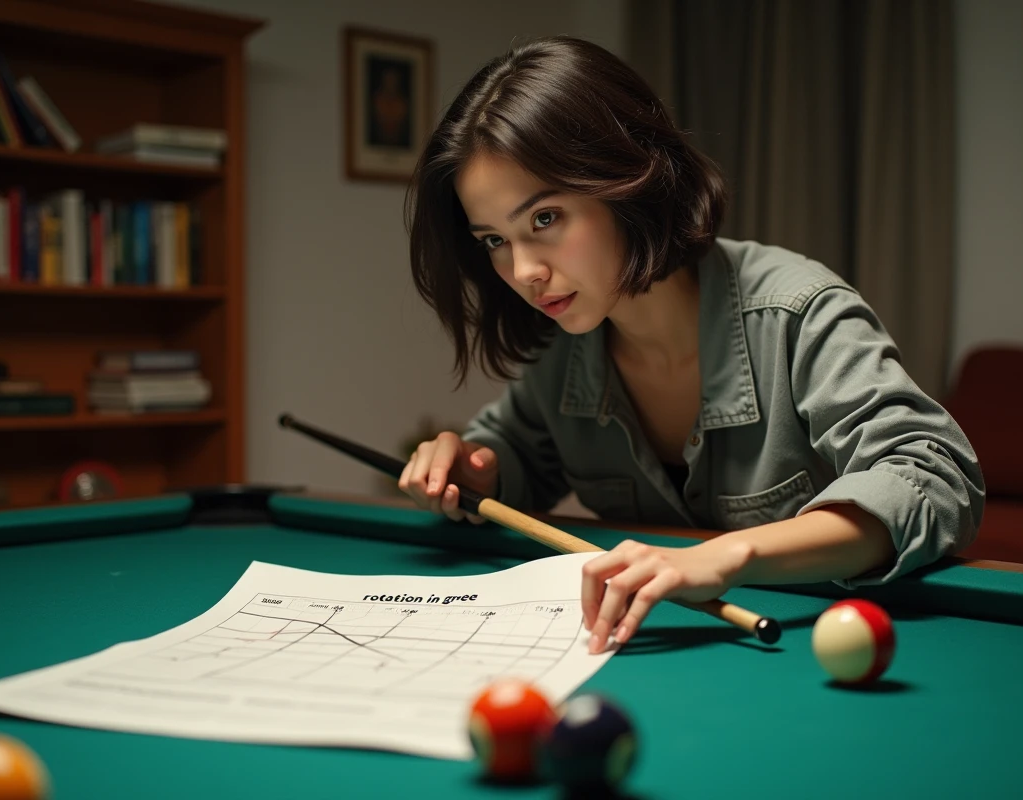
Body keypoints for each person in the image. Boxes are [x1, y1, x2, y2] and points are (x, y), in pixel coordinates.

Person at [398, 36, 985, 654]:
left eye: (544, 219)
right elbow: (514, 456)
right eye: (494, 240)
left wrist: (726, 556)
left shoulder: (797, 312)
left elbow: (932, 478)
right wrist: (472, 470)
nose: (523, 272)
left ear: (627, 179)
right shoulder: (566, 352)